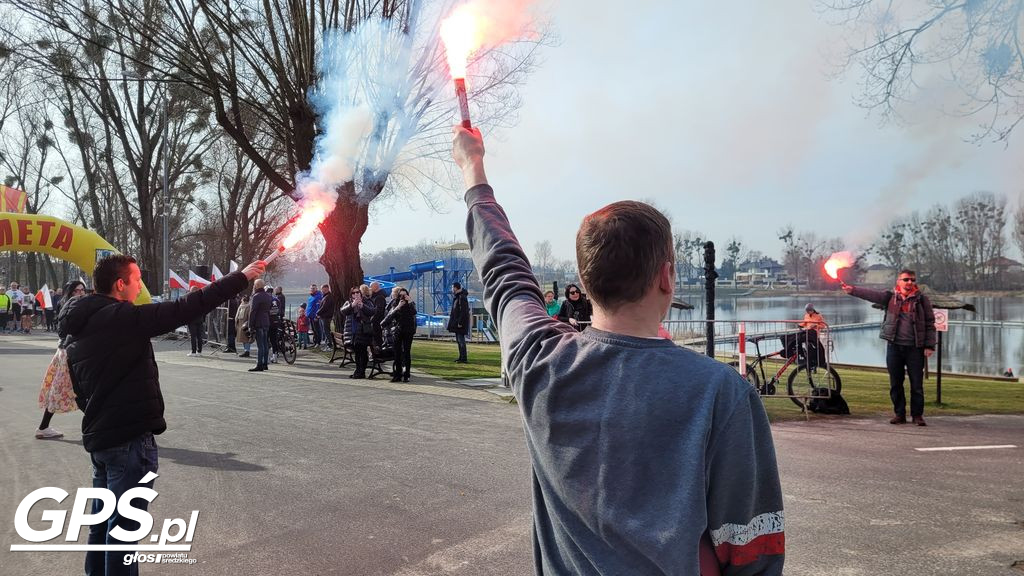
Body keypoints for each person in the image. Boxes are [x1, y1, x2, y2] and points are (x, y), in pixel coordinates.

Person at [451, 126, 784, 574]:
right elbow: (751, 548)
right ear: (666, 277)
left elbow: (503, 273)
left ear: (584, 283)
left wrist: (473, 171)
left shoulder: (540, 363)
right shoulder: (720, 392)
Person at [58, 254, 264, 576]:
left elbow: (77, 387)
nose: (141, 285)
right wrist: (242, 277)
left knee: (101, 527)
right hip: (128, 441)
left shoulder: (77, 325)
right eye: (137, 279)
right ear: (120, 284)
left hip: (100, 439)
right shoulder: (123, 318)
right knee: (123, 532)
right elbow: (188, 307)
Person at [843, 269, 936, 426]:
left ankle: (917, 415)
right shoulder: (890, 298)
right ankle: (899, 414)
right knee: (895, 383)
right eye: (906, 279)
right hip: (894, 346)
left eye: (912, 280)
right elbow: (872, 295)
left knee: (917, 384)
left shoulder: (922, 300)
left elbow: (930, 324)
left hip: (915, 348)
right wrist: (853, 290)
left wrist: (929, 346)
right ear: (898, 282)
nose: (909, 283)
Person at [35, 280, 87, 440]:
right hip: (68, 352)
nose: (80, 293)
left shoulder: (72, 304)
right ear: (70, 292)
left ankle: (43, 427)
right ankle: (101, 423)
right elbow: (66, 330)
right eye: (76, 291)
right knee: (77, 390)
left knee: (62, 389)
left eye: (82, 290)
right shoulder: (71, 305)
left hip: (67, 350)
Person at [338, 284, 376, 379]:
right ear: (351, 295)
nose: (356, 294)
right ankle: (358, 370)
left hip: (363, 331)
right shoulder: (349, 302)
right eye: (353, 293)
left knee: (362, 351)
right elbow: (343, 311)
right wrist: (352, 305)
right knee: (357, 352)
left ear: (360, 293)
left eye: (357, 292)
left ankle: (361, 371)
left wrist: (362, 306)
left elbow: (372, 311)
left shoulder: (366, 301)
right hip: (353, 331)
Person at [382, 287, 417, 382]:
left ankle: (407, 374)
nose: (403, 297)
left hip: (408, 331)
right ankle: (397, 374)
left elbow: (414, 312)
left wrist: (409, 302)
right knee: (397, 353)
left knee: (406, 353)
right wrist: (398, 307)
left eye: (404, 295)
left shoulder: (411, 305)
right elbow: (389, 317)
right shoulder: (395, 304)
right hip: (397, 331)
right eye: (401, 295)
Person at [248, 279, 273, 372]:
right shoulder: (268, 296)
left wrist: (251, 325)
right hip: (266, 321)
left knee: (260, 345)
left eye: (254, 285)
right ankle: (265, 363)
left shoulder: (256, 297)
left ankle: (259, 364)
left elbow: (253, 311)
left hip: (258, 322)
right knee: (265, 344)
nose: (253, 286)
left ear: (257, 286)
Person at [447, 281, 471, 363]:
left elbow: (463, 311)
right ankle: (461, 357)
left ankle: (464, 358)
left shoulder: (461, 297)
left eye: (452, 287)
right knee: (459, 340)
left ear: (455, 288)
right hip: (457, 322)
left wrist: (460, 322)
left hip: (460, 323)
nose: (451, 289)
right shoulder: (458, 297)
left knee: (461, 340)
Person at [185, 286, 205, 356]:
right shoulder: (201, 298)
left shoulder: (189, 298)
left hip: (192, 320)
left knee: (193, 336)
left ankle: (193, 352)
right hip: (200, 319)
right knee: (199, 336)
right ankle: (199, 351)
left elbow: (187, 309)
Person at [316, 283, 336, 349]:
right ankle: (327, 343)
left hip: (326, 317)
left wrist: (318, 313)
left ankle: (329, 345)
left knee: (326, 330)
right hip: (324, 316)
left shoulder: (328, 297)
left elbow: (324, 307)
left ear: (326, 289)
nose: (321, 290)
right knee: (325, 330)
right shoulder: (325, 297)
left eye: (322, 289)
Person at [369, 281, 387, 349]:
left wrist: (372, 319)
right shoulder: (377, 296)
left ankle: (379, 351)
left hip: (377, 322)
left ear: (375, 287)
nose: (370, 288)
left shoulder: (379, 297)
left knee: (377, 338)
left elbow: (379, 310)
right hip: (376, 321)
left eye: (371, 287)